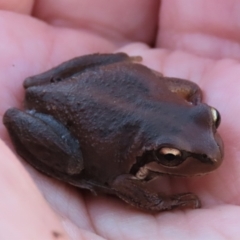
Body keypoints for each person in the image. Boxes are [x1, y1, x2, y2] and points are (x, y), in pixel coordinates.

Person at [0, 1, 237, 239]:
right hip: (61, 118)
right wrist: (159, 202)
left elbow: (190, 89)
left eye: (211, 118)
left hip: (89, 85)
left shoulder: (179, 105)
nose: (212, 149)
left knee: (125, 68)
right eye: (170, 156)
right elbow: (122, 182)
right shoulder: (135, 166)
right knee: (73, 164)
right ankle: (74, 171)